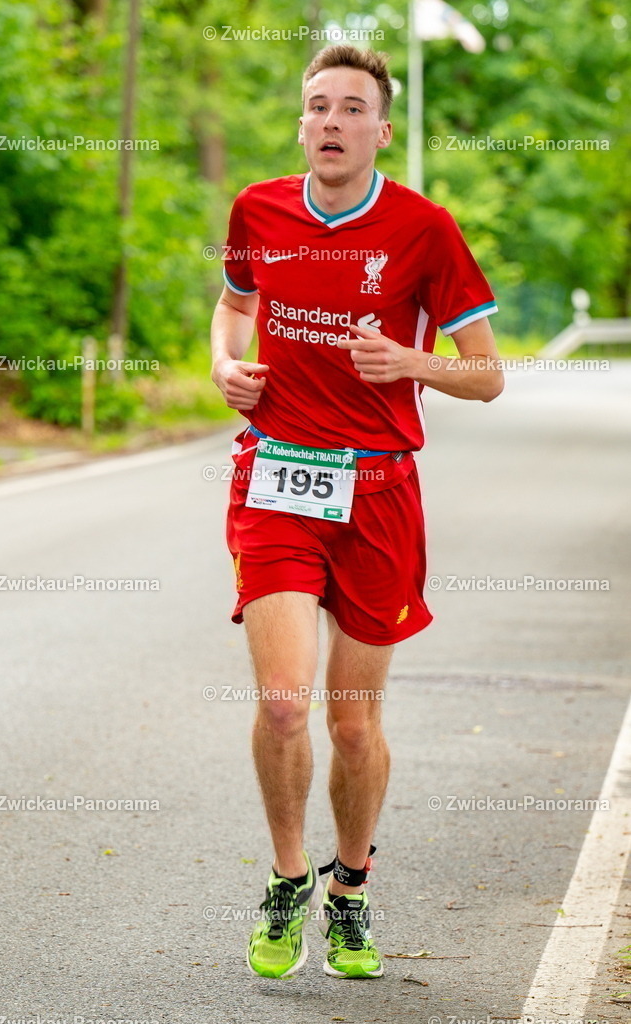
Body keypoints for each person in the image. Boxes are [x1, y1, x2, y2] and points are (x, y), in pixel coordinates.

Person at [210, 44, 503, 981]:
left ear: (380, 130)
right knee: (287, 705)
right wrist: (223, 363)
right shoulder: (257, 209)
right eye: (315, 107)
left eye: (350, 109)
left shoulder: (424, 229)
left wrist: (412, 365)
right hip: (275, 481)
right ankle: (290, 876)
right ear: (301, 124)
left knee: (349, 724)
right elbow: (230, 305)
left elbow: (488, 375)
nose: (330, 122)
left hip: (378, 493)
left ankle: (351, 889)